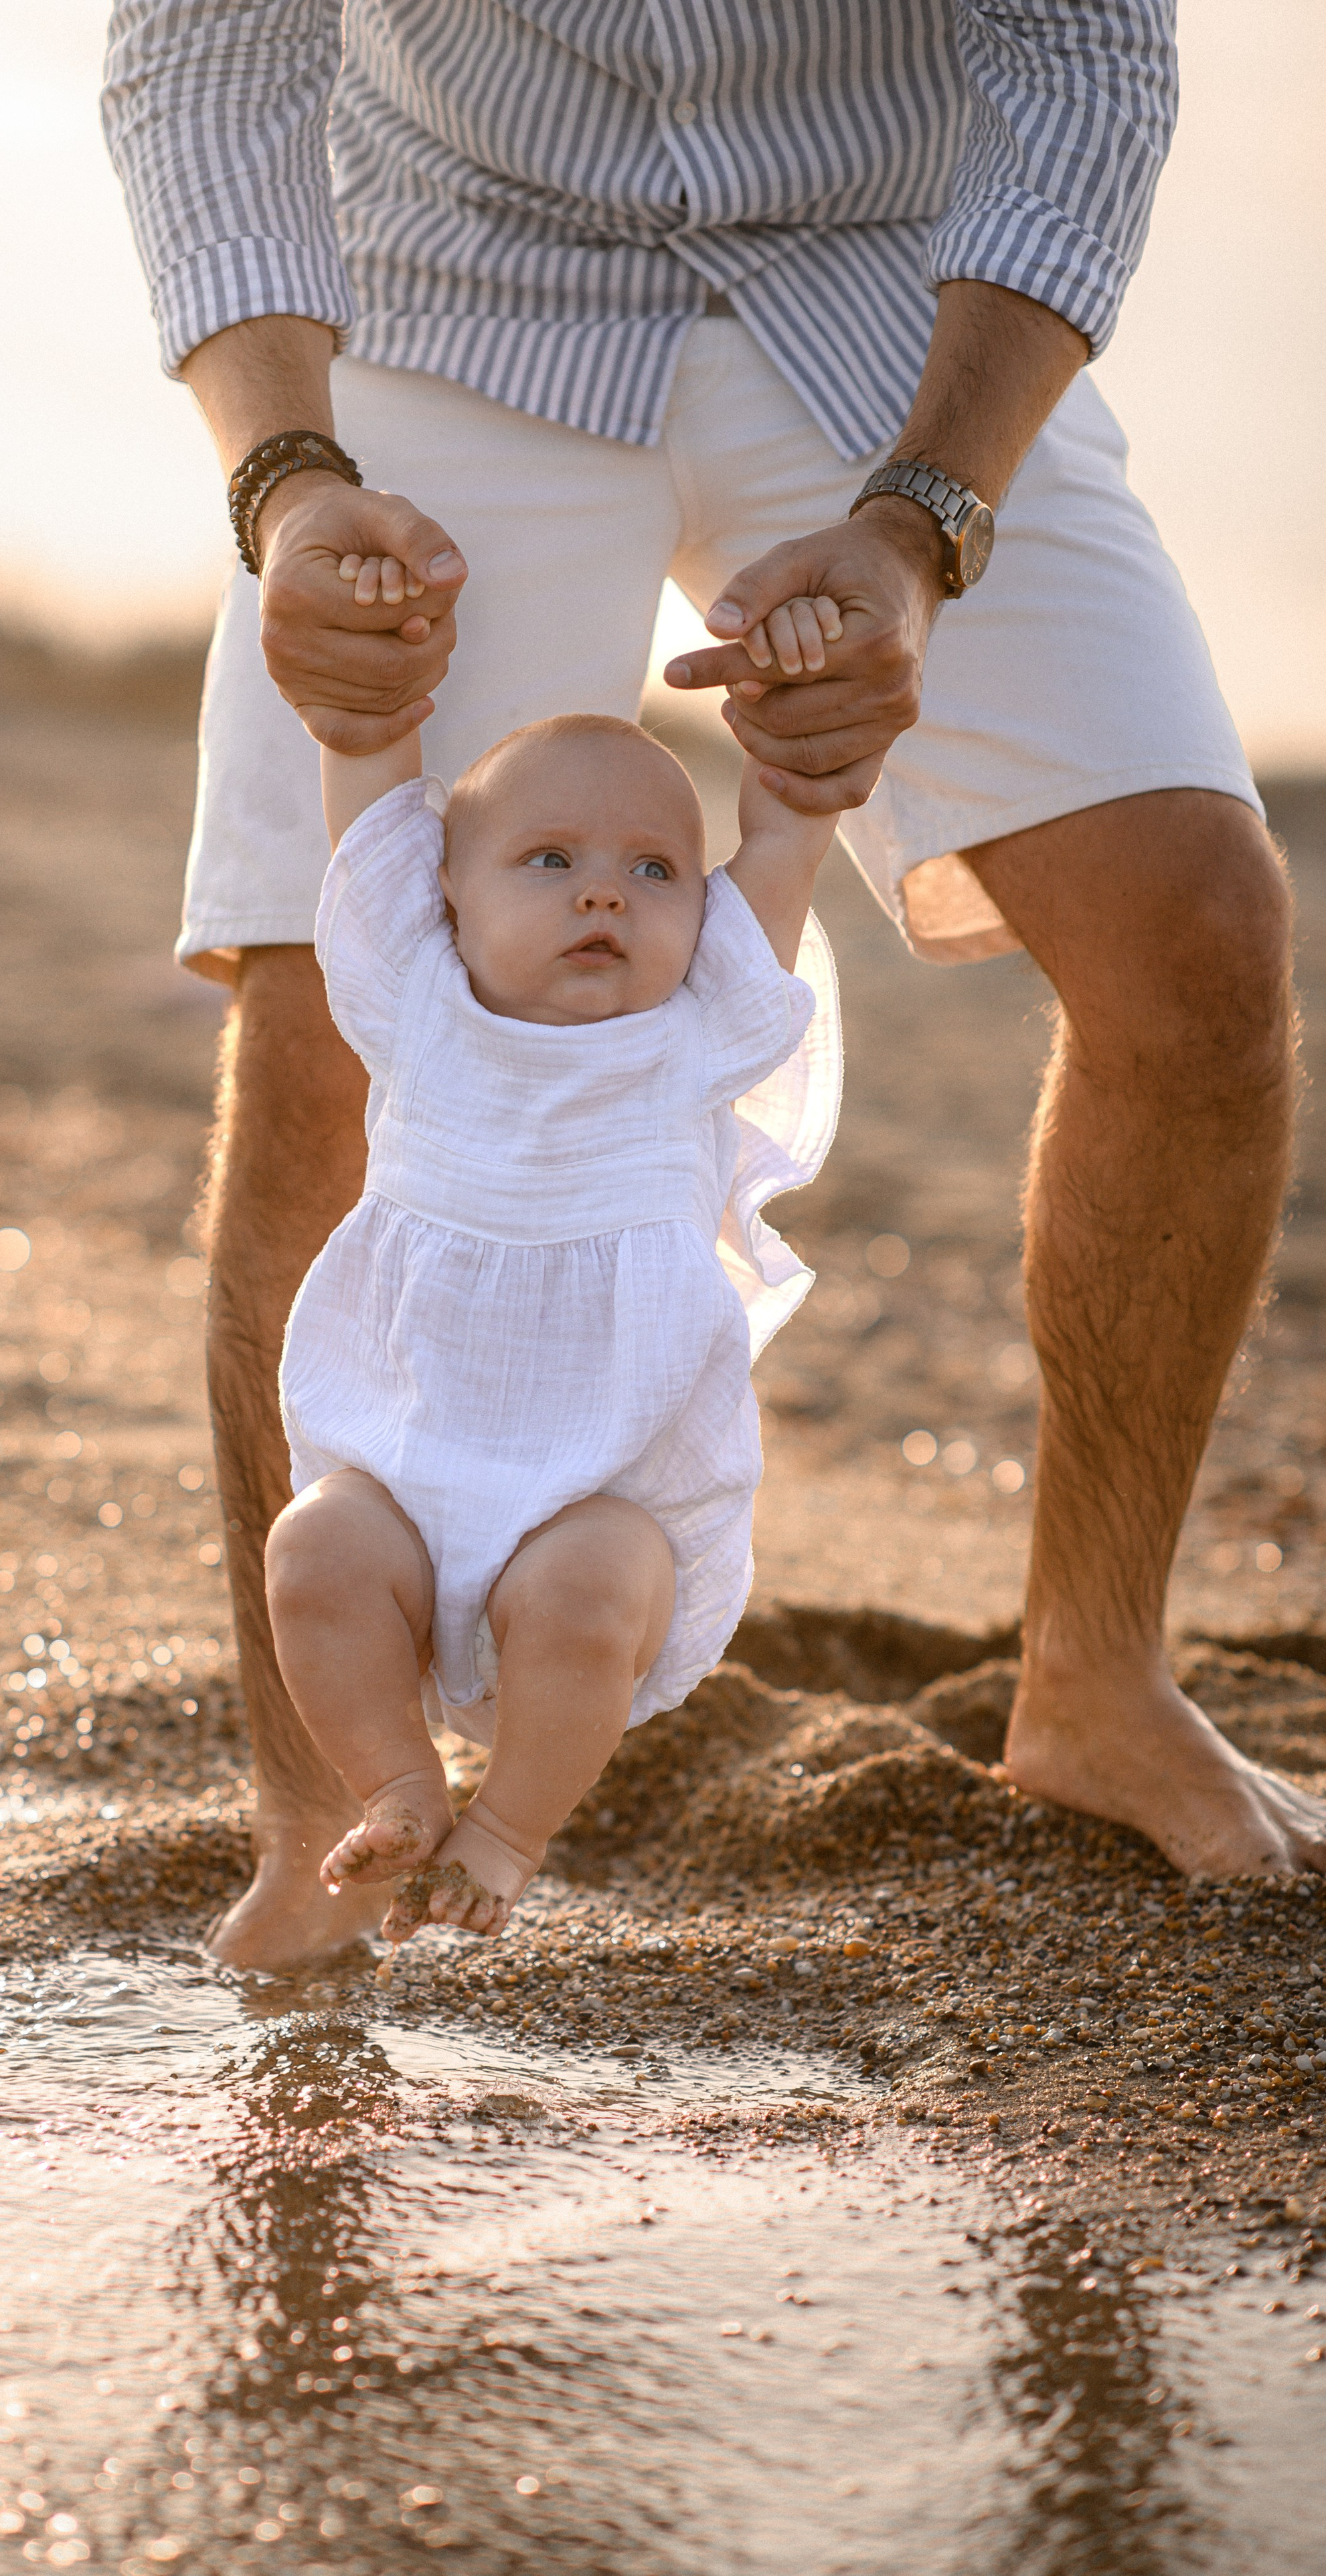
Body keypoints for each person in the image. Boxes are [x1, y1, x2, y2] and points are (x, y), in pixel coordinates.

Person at [102, 3, 1321, 1969]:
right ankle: (322, 1823)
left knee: (1199, 930)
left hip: (888, 299)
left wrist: (924, 520)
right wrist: (289, 480)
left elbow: (1086, 61)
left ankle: (1098, 1680)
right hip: (446, 277)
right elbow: (205, 52)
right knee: (328, 1026)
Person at [266, 587, 841, 1943]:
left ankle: (509, 1830)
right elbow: (369, 795)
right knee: (313, 1552)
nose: (603, 891)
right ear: (447, 896)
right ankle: (398, 1785)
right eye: (547, 860)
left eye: (654, 871)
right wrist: (371, 689)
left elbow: (783, 832)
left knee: (586, 1593)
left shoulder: (695, 1032)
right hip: (404, 1465)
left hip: (604, 1492)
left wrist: (801, 731)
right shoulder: (415, 1001)